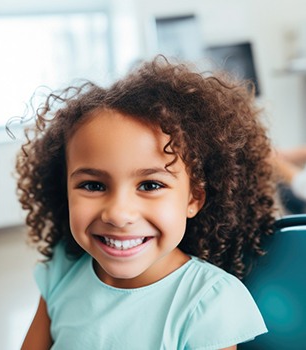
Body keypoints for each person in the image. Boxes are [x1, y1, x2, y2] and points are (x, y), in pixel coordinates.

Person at [16, 56, 276, 349]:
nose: (118, 213)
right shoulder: (63, 268)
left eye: (151, 185)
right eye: (93, 185)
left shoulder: (208, 300)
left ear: (194, 198)